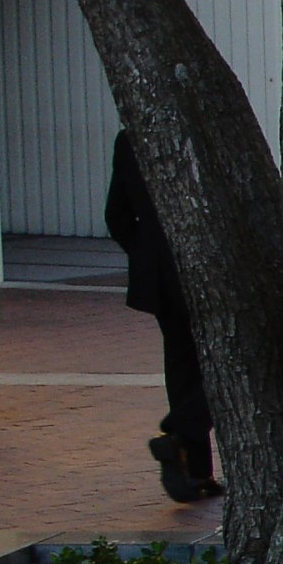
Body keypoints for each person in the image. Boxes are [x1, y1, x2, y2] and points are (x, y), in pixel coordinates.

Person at [103, 132, 219, 503]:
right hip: (206, 265)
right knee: (231, 362)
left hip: (158, 271)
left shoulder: (130, 139)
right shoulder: (207, 133)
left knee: (182, 365)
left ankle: (196, 470)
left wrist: (145, 253)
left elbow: (116, 214)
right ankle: (181, 435)